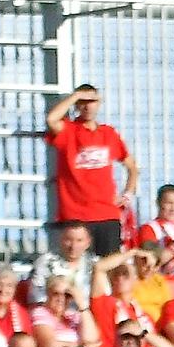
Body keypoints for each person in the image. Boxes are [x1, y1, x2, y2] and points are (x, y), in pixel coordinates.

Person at [43, 86, 133, 255]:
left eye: (91, 101)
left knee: (108, 268)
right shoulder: (69, 130)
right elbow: (51, 120)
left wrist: (127, 194)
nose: (87, 106)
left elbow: (132, 167)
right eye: (83, 102)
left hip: (107, 214)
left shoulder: (108, 133)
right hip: (76, 215)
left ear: (99, 103)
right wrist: (75, 96)